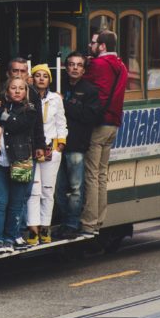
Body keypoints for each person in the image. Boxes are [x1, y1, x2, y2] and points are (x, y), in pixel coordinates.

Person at [0, 75, 45, 254]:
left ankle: (9, 238)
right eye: (13, 88)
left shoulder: (30, 109)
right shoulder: (0, 105)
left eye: (21, 88)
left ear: (26, 92)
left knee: (16, 202)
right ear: (7, 91)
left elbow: (15, 124)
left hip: (21, 160)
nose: (17, 91)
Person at [82, 30, 127, 236]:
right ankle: (99, 219)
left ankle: (89, 221)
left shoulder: (99, 65)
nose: (91, 46)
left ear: (102, 46)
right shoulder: (121, 65)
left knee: (91, 174)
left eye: (94, 43)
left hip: (100, 124)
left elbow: (84, 81)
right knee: (101, 174)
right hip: (114, 124)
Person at [55, 52, 102, 240]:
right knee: (58, 187)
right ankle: (63, 221)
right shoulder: (59, 86)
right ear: (66, 67)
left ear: (83, 69)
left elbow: (90, 116)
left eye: (79, 65)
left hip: (76, 145)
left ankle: (72, 223)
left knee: (76, 187)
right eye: (71, 64)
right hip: (59, 144)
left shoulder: (90, 90)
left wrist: (64, 104)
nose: (74, 68)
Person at [27, 64, 66, 245]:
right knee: (34, 190)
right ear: (32, 78)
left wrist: (59, 146)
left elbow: (61, 123)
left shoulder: (55, 99)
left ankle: (45, 226)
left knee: (47, 191)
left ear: (49, 80)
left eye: (45, 76)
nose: (41, 78)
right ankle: (32, 228)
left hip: (51, 148)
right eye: (37, 75)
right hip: (33, 149)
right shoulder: (28, 97)